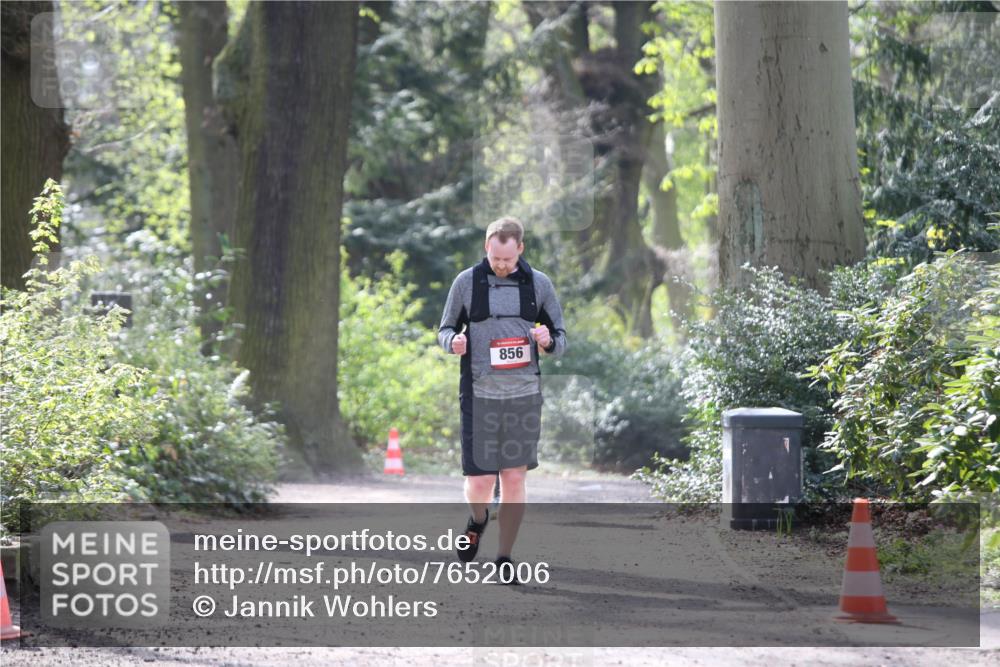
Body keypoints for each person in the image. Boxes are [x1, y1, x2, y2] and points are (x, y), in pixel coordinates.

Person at [437, 216, 567, 584]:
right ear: (487, 247)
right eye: (496, 258)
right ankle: (478, 519)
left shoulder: (539, 285)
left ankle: (505, 556)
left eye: (508, 259)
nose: (502, 265)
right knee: (479, 484)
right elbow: (445, 328)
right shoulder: (467, 283)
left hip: (523, 397)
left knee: (513, 478)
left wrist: (547, 341)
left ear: (520, 249)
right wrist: (453, 342)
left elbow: (561, 338)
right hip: (479, 396)